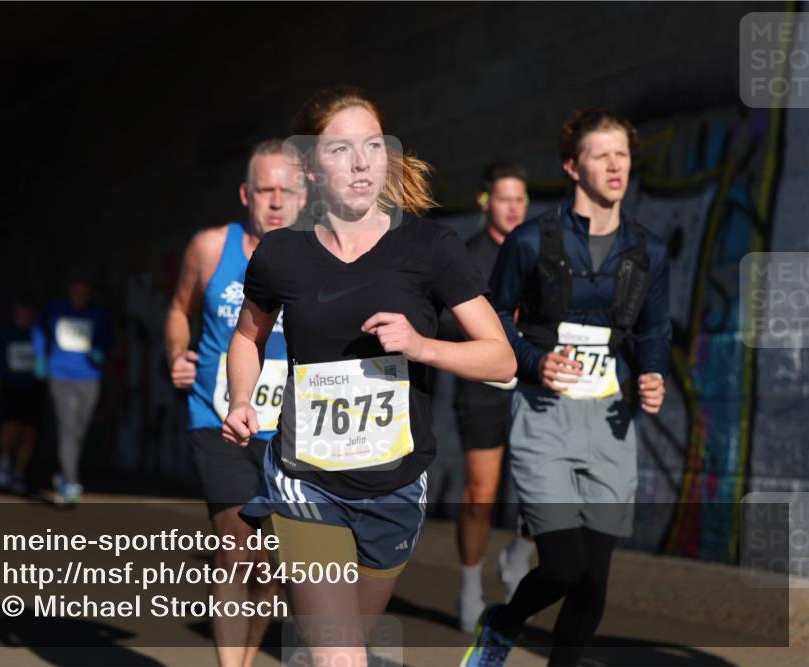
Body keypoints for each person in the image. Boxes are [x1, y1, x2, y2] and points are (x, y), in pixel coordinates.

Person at [222, 86, 516, 665]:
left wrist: (423, 345)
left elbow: (500, 358)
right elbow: (247, 337)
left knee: (339, 644)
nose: (361, 163)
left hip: (396, 485)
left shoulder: (431, 246)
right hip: (305, 478)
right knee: (342, 656)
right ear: (310, 164)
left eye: (373, 146)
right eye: (340, 150)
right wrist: (240, 399)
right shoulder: (282, 254)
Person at [463, 108, 670, 667]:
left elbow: (652, 329)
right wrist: (532, 360)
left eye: (622, 154)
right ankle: (502, 622)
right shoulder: (530, 242)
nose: (615, 165)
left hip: (609, 421)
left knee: (592, 584)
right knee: (562, 566)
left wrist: (652, 374)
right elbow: (494, 317)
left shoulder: (648, 251)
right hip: (544, 415)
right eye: (601, 154)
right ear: (572, 167)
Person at [165, 138, 305, 667]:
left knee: (269, 563)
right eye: (265, 189)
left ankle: (243, 660)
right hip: (217, 416)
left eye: (286, 190)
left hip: (290, 425)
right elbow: (179, 309)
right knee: (234, 543)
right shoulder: (209, 248)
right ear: (245, 193)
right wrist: (178, 352)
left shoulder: (318, 253)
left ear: (304, 193)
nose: (275, 200)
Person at [439, 163, 535, 632]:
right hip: (481, 390)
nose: (514, 208)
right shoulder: (465, 255)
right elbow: (440, 321)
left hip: (534, 385)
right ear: (486, 203)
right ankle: (470, 586)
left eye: (520, 199)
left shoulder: (539, 251)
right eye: (504, 199)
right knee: (481, 495)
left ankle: (516, 559)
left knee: (541, 490)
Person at [33, 275, 111, 504]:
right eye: (78, 287)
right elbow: (39, 329)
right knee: (67, 427)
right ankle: (71, 481)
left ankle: (65, 472)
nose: (81, 292)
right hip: (61, 376)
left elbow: (109, 339)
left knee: (79, 430)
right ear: (70, 289)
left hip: (89, 377)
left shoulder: (98, 314)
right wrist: (40, 355)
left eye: (85, 288)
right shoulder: (55, 309)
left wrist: (101, 351)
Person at [0, 297, 45, 495]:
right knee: (11, 427)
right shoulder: (5, 333)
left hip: (33, 387)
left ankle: (19, 472)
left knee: (29, 432)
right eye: (23, 310)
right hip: (11, 386)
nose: (26, 314)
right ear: (16, 311)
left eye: (30, 311)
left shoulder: (38, 334)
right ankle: (3, 464)